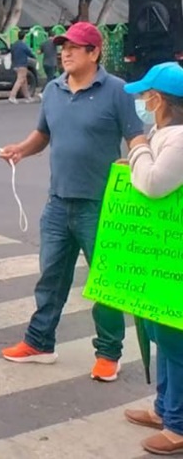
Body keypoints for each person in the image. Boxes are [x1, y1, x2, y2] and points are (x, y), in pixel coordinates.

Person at [0, 21, 145, 381]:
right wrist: (21, 149)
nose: (64, 53)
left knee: (104, 284)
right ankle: (39, 342)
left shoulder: (118, 91)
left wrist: (139, 164)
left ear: (94, 53)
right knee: (50, 276)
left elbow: (136, 139)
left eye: (74, 48)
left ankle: (109, 353)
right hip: (58, 202)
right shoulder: (53, 90)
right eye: (63, 47)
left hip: (100, 205)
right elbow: (43, 134)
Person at [120, 62, 183, 456]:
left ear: (158, 99)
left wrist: (137, 147)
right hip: (164, 254)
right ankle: (165, 408)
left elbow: (155, 183)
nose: (143, 103)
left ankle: (177, 425)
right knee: (162, 334)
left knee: (175, 341)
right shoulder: (167, 134)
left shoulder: (178, 139)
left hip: (175, 258)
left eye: (145, 96)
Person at [8, 31, 36, 104]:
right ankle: (12, 96)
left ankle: (27, 97)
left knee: (24, 80)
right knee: (20, 80)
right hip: (22, 65)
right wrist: (34, 56)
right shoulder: (23, 45)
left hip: (15, 64)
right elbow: (30, 53)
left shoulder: (14, 44)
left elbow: (11, 52)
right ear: (24, 37)